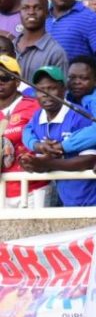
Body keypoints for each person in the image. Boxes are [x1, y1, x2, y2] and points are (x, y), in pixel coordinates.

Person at [20, 65, 96, 207]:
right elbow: (28, 136)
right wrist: (31, 162)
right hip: (66, 197)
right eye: (41, 90)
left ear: (63, 89)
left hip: (93, 197)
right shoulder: (37, 117)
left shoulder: (79, 116)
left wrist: (47, 164)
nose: (46, 94)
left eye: (52, 88)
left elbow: (90, 159)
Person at [0, 55, 48, 208]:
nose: (0, 82)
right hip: (2, 190)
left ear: (17, 81)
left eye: (5, 77)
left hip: (33, 187)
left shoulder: (34, 106)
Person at [15, 0, 67, 79]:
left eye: (37, 8)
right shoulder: (9, 46)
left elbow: (60, 90)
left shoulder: (55, 52)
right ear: (19, 12)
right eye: (25, 8)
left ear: (47, 13)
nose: (31, 12)